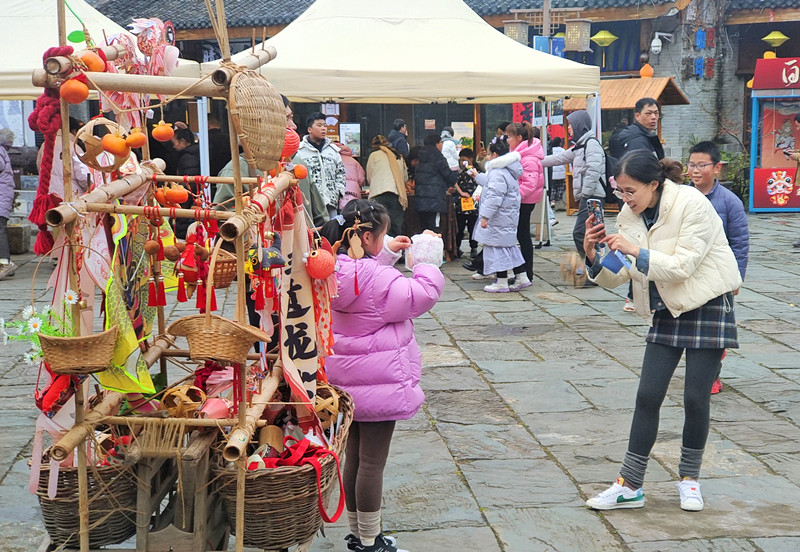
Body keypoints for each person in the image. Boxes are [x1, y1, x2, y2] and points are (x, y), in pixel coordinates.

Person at [583, 151, 741, 513]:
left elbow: (683, 266)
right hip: (667, 308)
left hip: (708, 302)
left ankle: (689, 479)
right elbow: (620, 273)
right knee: (647, 395)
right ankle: (630, 485)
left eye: (631, 190)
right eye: (620, 191)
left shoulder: (692, 204)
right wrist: (592, 255)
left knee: (695, 398)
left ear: (654, 184)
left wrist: (634, 249)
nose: (625, 199)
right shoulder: (628, 214)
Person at [321, 199, 444, 552]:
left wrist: (385, 253)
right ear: (366, 237)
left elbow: (367, 283)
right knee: (372, 464)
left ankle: (358, 532)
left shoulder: (331, 269)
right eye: (383, 235)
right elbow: (421, 295)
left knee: (355, 458)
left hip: (345, 382)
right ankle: (371, 542)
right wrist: (425, 262)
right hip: (379, 383)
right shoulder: (379, 279)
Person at [688, 141, 750, 394]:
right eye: (691, 164)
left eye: (701, 165)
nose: (694, 170)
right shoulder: (682, 195)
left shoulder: (729, 202)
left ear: (716, 168)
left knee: (715, 332)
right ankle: (695, 373)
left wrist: (736, 279)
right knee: (689, 327)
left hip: (718, 277)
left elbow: (740, 242)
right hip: (688, 273)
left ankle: (712, 375)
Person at [618, 98, 665, 310]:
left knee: (642, 247)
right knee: (638, 246)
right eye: (649, 113)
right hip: (643, 202)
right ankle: (634, 295)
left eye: (656, 113)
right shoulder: (637, 140)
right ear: (637, 116)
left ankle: (637, 295)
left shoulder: (644, 136)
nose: (654, 117)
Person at [541, 110, 605, 265]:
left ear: (579, 125)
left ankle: (593, 268)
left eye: (570, 125)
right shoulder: (580, 146)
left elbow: (593, 171)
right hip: (589, 196)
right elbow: (559, 158)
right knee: (594, 235)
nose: (569, 128)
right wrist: (532, 160)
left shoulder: (591, 144)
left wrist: (585, 194)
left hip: (592, 197)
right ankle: (598, 270)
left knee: (581, 233)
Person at [469, 136, 528, 293]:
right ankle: (522, 276)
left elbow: (494, 197)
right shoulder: (508, 170)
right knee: (509, 247)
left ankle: (501, 281)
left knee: (496, 249)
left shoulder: (497, 172)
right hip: (507, 217)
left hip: (498, 218)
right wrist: (477, 177)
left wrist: (485, 217)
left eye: (488, 154)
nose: (487, 157)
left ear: (495, 155)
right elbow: (492, 186)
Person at [292, 111, 346, 227]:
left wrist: (339, 193)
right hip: (310, 201)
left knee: (332, 231)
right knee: (312, 230)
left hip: (331, 201)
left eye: (325, 126)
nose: (323, 129)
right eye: (319, 125)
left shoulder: (333, 150)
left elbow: (340, 173)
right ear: (309, 129)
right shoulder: (299, 151)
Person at [506, 122, 544, 282]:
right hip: (521, 200)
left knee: (522, 236)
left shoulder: (527, 157)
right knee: (521, 236)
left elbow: (529, 184)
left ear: (519, 137)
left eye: (509, 136)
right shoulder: (521, 154)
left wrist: (513, 198)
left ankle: (526, 272)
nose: (507, 140)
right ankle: (522, 272)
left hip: (524, 201)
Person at [414, 134, 457, 233]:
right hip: (434, 200)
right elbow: (449, 176)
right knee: (434, 229)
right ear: (437, 144)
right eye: (441, 142)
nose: (442, 145)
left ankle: (423, 248)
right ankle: (433, 248)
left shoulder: (420, 156)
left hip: (420, 199)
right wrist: (455, 175)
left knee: (424, 229)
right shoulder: (438, 157)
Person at [366, 135, 408, 237]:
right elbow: (404, 178)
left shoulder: (374, 156)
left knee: (378, 224)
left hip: (378, 193)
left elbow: (369, 176)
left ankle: (381, 248)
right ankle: (397, 248)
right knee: (396, 224)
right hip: (396, 194)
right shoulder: (398, 156)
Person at [171, 126, 202, 239]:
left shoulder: (188, 157)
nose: (174, 146)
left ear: (183, 141)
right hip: (191, 197)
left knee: (184, 225)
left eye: (174, 143)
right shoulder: (194, 153)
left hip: (188, 198)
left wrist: (180, 195)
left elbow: (190, 182)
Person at [453, 148, 479, 259]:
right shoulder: (459, 173)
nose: (462, 162)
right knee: (459, 227)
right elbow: (455, 185)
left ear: (471, 159)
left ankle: (474, 247)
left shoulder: (477, 172)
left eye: (464, 160)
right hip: (461, 205)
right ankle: (457, 247)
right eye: (460, 160)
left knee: (473, 228)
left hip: (473, 205)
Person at [0, 129, 16, 280]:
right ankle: (5, 262)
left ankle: (5, 262)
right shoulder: (2, 151)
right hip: (3, 195)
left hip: (1, 196)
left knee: (0, 229)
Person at [337, 142, 366, 210]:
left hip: (338, 194)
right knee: (354, 215)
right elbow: (361, 179)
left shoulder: (332, 160)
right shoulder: (354, 162)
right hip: (353, 193)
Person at [206, 114, 231, 179]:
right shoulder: (228, 138)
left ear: (207, 126)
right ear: (219, 125)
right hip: (227, 171)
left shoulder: (206, 139)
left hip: (210, 173)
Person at [548, 136, 567, 208]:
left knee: (553, 188)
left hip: (553, 174)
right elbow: (566, 162)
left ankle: (552, 200)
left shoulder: (550, 150)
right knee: (560, 187)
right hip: (561, 174)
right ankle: (557, 201)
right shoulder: (562, 150)